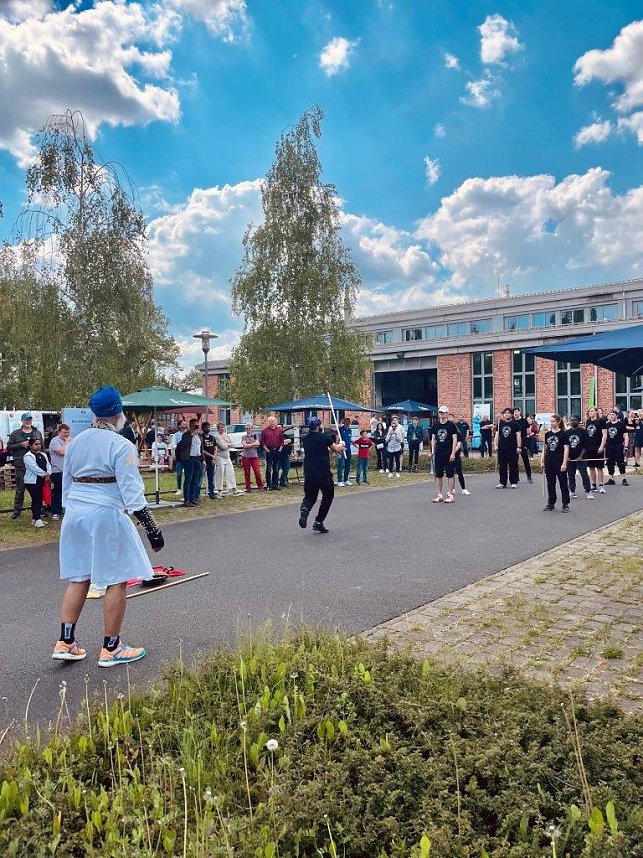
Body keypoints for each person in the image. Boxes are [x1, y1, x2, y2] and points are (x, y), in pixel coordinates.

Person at [52, 386, 164, 667]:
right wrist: (151, 527)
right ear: (118, 413)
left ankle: (65, 642)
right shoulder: (121, 445)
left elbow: (66, 481)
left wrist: (71, 509)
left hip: (75, 512)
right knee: (117, 578)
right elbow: (131, 491)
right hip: (104, 513)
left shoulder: (75, 442)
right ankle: (111, 647)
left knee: (80, 576)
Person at [298, 416, 345, 534]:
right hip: (323, 473)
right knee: (328, 495)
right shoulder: (324, 437)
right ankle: (319, 521)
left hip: (309, 472)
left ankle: (305, 509)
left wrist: (333, 448)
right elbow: (335, 449)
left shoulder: (306, 439)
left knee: (310, 497)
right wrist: (341, 444)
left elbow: (319, 449)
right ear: (318, 426)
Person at [7, 413, 44, 520]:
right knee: (20, 489)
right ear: (22, 421)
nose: (28, 421)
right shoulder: (15, 434)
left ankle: (39, 510)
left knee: (38, 489)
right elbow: (9, 448)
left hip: (36, 465)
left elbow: (42, 447)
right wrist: (21, 444)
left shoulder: (37, 432)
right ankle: (17, 511)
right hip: (21, 465)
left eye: (30, 419)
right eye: (26, 420)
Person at [542, 414, 570, 512]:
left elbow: (566, 449)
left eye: (553, 421)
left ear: (558, 422)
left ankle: (565, 504)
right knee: (550, 482)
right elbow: (545, 448)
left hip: (559, 458)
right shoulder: (547, 434)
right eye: (551, 421)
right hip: (549, 459)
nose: (552, 423)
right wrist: (542, 460)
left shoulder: (563, 434)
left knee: (563, 482)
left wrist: (564, 463)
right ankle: (551, 503)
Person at [430, 406, 458, 503]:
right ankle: (439, 494)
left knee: (450, 474)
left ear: (447, 413)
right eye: (440, 413)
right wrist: (432, 451)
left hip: (448, 452)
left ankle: (450, 494)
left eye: (443, 413)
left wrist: (453, 453)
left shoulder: (451, 425)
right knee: (439, 474)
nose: (441, 414)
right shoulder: (435, 426)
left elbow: (455, 439)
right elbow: (433, 439)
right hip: (439, 452)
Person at [23, 436, 52, 527]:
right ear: (31, 446)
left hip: (42, 480)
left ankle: (35, 518)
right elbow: (34, 468)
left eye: (39, 444)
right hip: (32, 481)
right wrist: (44, 474)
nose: (38, 446)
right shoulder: (27, 456)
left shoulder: (43, 455)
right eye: (35, 444)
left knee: (39, 499)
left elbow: (48, 465)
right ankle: (37, 519)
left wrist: (48, 473)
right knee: (36, 499)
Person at [565, 415, 593, 500]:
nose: (573, 421)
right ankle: (572, 491)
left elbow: (585, 445)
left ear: (578, 421)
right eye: (571, 420)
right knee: (571, 475)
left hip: (581, 458)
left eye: (575, 420)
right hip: (570, 458)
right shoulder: (567, 433)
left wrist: (580, 456)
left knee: (584, 475)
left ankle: (588, 491)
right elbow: (565, 446)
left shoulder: (583, 432)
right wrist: (567, 457)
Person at [214, 422, 244, 497]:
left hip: (227, 456)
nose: (222, 429)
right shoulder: (217, 436)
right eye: (221, 427)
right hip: (220, 456)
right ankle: (219, 490)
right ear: (218, 428)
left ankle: (233, 489)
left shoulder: (226, 435)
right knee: (219, 474)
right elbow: (222, 446)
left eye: (223, 427)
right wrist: (227, 444)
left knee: (231, 472)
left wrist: (227, 444)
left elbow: (232, 444)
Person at [178, 419, 203, 507]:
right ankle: (187, 499)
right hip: (189, 459)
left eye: (197, 425)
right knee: (188, 479)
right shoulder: (186, 435)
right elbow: (184, 445)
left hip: (197, 458)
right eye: (195, 425)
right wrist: (192, 434)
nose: (196, 427)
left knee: (195, 479)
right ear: (191, 426)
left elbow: (201, 447)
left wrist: (202, 459)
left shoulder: (199, 435)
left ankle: (192, 498)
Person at [48, 423, 71, 520]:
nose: (66, 434)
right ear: (59, 432)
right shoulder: (55, 441)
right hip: (57, 470)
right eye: (64, 433)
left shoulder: (70, 440)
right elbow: (62, 451)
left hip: (68, 470)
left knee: (68, 491)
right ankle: (55, 512)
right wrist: (67, 442)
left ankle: (65, 509)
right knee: (58, 491)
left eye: (68, 432)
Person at [495, 408, 521, 488]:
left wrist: (519, 447)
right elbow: (497, 435)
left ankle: (513, 481)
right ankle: (502, 482)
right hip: (502, 448)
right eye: (505, 413)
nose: (506, 414)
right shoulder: (500, 424)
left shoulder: (515, 424)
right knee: (502, 465)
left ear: (512, 415)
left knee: (513, 465)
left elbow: (518, 436)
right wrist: (496, 445)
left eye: (508, 413)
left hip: (512, 448)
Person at [584, 406, 607, 494]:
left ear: (596, 412)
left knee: (599, 467)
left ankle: (601, 485)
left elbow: (604, 435)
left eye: (592, 411)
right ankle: (593, 484)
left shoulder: (601, 421)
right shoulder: (588, 421)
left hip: (598, 446)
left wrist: (601, 446)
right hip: (589, 447)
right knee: (591, 466)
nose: (591, 413)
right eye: (589, 411)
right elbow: (586, 434)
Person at [605, 410, 629, 487]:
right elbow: (604, 436)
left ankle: (623, 479)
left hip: (618, 445)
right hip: (609, 446)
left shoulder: (621, 425)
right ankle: (611, 479)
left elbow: (626, 436)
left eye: (613, 414)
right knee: (610, 463)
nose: (611, 416)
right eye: (610, 414)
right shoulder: (607, 425)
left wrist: (626, 446)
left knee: (620, 462)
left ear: (616, 416)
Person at [449, 411, 471, 495]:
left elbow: (459, 442)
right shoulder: (447, 429)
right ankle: (452, 489)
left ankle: (463, 488)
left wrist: (454, 451)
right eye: (448, 418)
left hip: (456, 453)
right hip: (448, 453)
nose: (449, 419)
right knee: (450, 472)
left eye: (451, 417)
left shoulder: (457, 429)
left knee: (459, 471)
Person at [260, 415, 284, 491]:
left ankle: (275, 484)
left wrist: (279, 450)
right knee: (268, 469)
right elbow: (262, 442)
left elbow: (282, 441)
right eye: (270, 421)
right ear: (268, 422)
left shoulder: (279, 430)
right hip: (268, 450)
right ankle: (269, 485)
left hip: (277, 450)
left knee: (276, 469)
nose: (271, 423)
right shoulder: (264, 431)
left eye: (272, 421)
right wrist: (267, 450)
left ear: (275, 422)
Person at [241, 423, 264, 491]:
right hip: (246, 456)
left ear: (252, 429)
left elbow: (258, 444)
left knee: (257, 472)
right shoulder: (243, 436)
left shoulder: (255, 436)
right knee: (247, 472)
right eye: (247, 428)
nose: (248, 429)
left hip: (254, 455)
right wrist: (253, 444)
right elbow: (245, 446)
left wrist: (249, 445)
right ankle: (248, 487)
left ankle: (260, 485)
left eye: (249, 428)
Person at [512, 407, 533, 484]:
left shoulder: (524, 421)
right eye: (514, 412)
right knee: (514, 461)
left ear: (519, 412)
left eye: (516, 412)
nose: (515, 414)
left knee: (526, 460)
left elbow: (528, 431)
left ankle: (529, 476)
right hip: (514, 443)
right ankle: (516, 477)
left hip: (523, 443)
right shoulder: (512, 421)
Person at [201, 422, 217, 499]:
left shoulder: (212, 437)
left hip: (211, 461)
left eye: (209, 427)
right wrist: (210, 455)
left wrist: (214, 456)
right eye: (206, 427)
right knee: (200, 478)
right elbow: (202, 450)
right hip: (204, 460)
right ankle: (196, 494)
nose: (208, 429)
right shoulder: (201, 437)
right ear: (203, 428)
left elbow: (215, 447)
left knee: (211, 478)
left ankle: (212, 493)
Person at [172, 419, 187, 496]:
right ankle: (179, 488)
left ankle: (186, 488)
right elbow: (173, 445)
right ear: (179, 426)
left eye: (185, 424)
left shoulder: (188, 434)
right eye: (183, 424)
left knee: (188, 473)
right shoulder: (176, 435)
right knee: (179, 473)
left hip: (187, 456)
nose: (185, 425)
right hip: (179, 456)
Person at [337, 417, 353, 486]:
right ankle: (339, 480)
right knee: (340, 464)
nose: (348, 423)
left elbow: (349, 439)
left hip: (348, 449)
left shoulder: (350, 430)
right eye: (346, 422)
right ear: (344, 422)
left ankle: (346, 479)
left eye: (349, 422)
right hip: (341, 449)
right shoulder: (340, 429)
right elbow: (337, 438)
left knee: (348, 464)